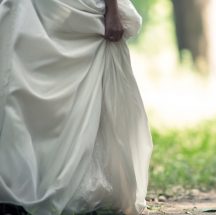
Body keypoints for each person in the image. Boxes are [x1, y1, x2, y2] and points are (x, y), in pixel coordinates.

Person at [0, 0, 152, 214]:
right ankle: (17, 188)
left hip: (78, 10)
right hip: (29, 10)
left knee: (82, 103)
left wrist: (112, 11)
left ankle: (74, 189)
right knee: (17, 92)